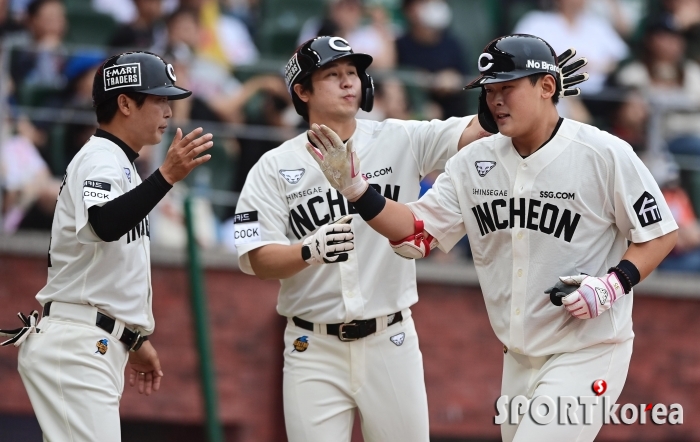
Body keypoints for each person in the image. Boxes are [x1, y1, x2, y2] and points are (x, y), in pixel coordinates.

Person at [307, 34, 679, 442]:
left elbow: (660, 233)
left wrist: (614, 283)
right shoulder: (472, 162)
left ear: (547, 87)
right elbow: (417, 233)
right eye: (490, 90)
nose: (496, 100)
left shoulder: (603, 153)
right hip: (517, 356)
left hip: (588, 351)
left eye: (509, 87)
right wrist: (359, 191)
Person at [233, 35, 486, 442]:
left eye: (353, 72)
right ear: (302, 91)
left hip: (391, 338)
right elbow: (256, 257)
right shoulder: (273, 166)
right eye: (333, 75)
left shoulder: (399, 137)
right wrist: (308, 250)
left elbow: (476, 130)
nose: (349, 82)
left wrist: (523, 82)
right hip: (311, 345)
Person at [0, 51, 213, 441]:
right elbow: (104, 224)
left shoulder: (122, 165)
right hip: (78, 346)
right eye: (159, 99)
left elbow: (108, 270)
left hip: (91, 344)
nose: (169, 111)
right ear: (125, 103)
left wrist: (134, 339)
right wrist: (166, 176)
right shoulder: (101, 157)